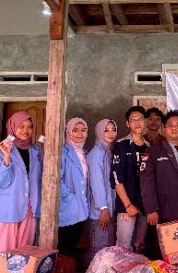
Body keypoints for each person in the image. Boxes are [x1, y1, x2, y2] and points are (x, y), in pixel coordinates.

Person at [0, 111, 42, 273]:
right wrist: (7, 157)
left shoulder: (35, 152)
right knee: (3, 254)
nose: (25, 130)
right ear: (12, 128)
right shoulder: (5, 151)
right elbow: (1, 182)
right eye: (21, 126)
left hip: (29, 210)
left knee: (23, 256)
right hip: (8, 210)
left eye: (29, 127)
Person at [141, 110, 178, 259]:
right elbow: (146, 182)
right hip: (163, 211)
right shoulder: (153, 151)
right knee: (162, 254)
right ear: (163, 128)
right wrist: (151, 209)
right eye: (170, 125)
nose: (174, 128)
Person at [111, 106, 149, 252]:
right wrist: (127, 205)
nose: (137, 123)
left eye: (140, 119)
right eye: (133, 120)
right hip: (126, 206)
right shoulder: (121, 145)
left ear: (145, 122)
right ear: (127, 123)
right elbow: (116, 178)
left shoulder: (149, 146)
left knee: (139, 246)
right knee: (123, 247)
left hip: (144, 207)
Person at [87, 118, 118, 262]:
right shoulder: (96, 153)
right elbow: (96, 182)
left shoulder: (108, 151)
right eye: (106, 130)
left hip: (109, 210)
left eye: (113, 130)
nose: (111, 133)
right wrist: (104, 208)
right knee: (99, 251)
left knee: (107, 251)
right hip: (100, 212)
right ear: (99, 132)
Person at [58, 117, 90, 257]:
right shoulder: (63, 152)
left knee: (71, 249)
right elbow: (56, 179)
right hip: (66, 208)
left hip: (80, 209)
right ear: (68, 132)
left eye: (83, 130)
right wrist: (70, 197)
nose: (80, 134)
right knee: (63, 248)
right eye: (75, 130)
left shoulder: (84, 153)